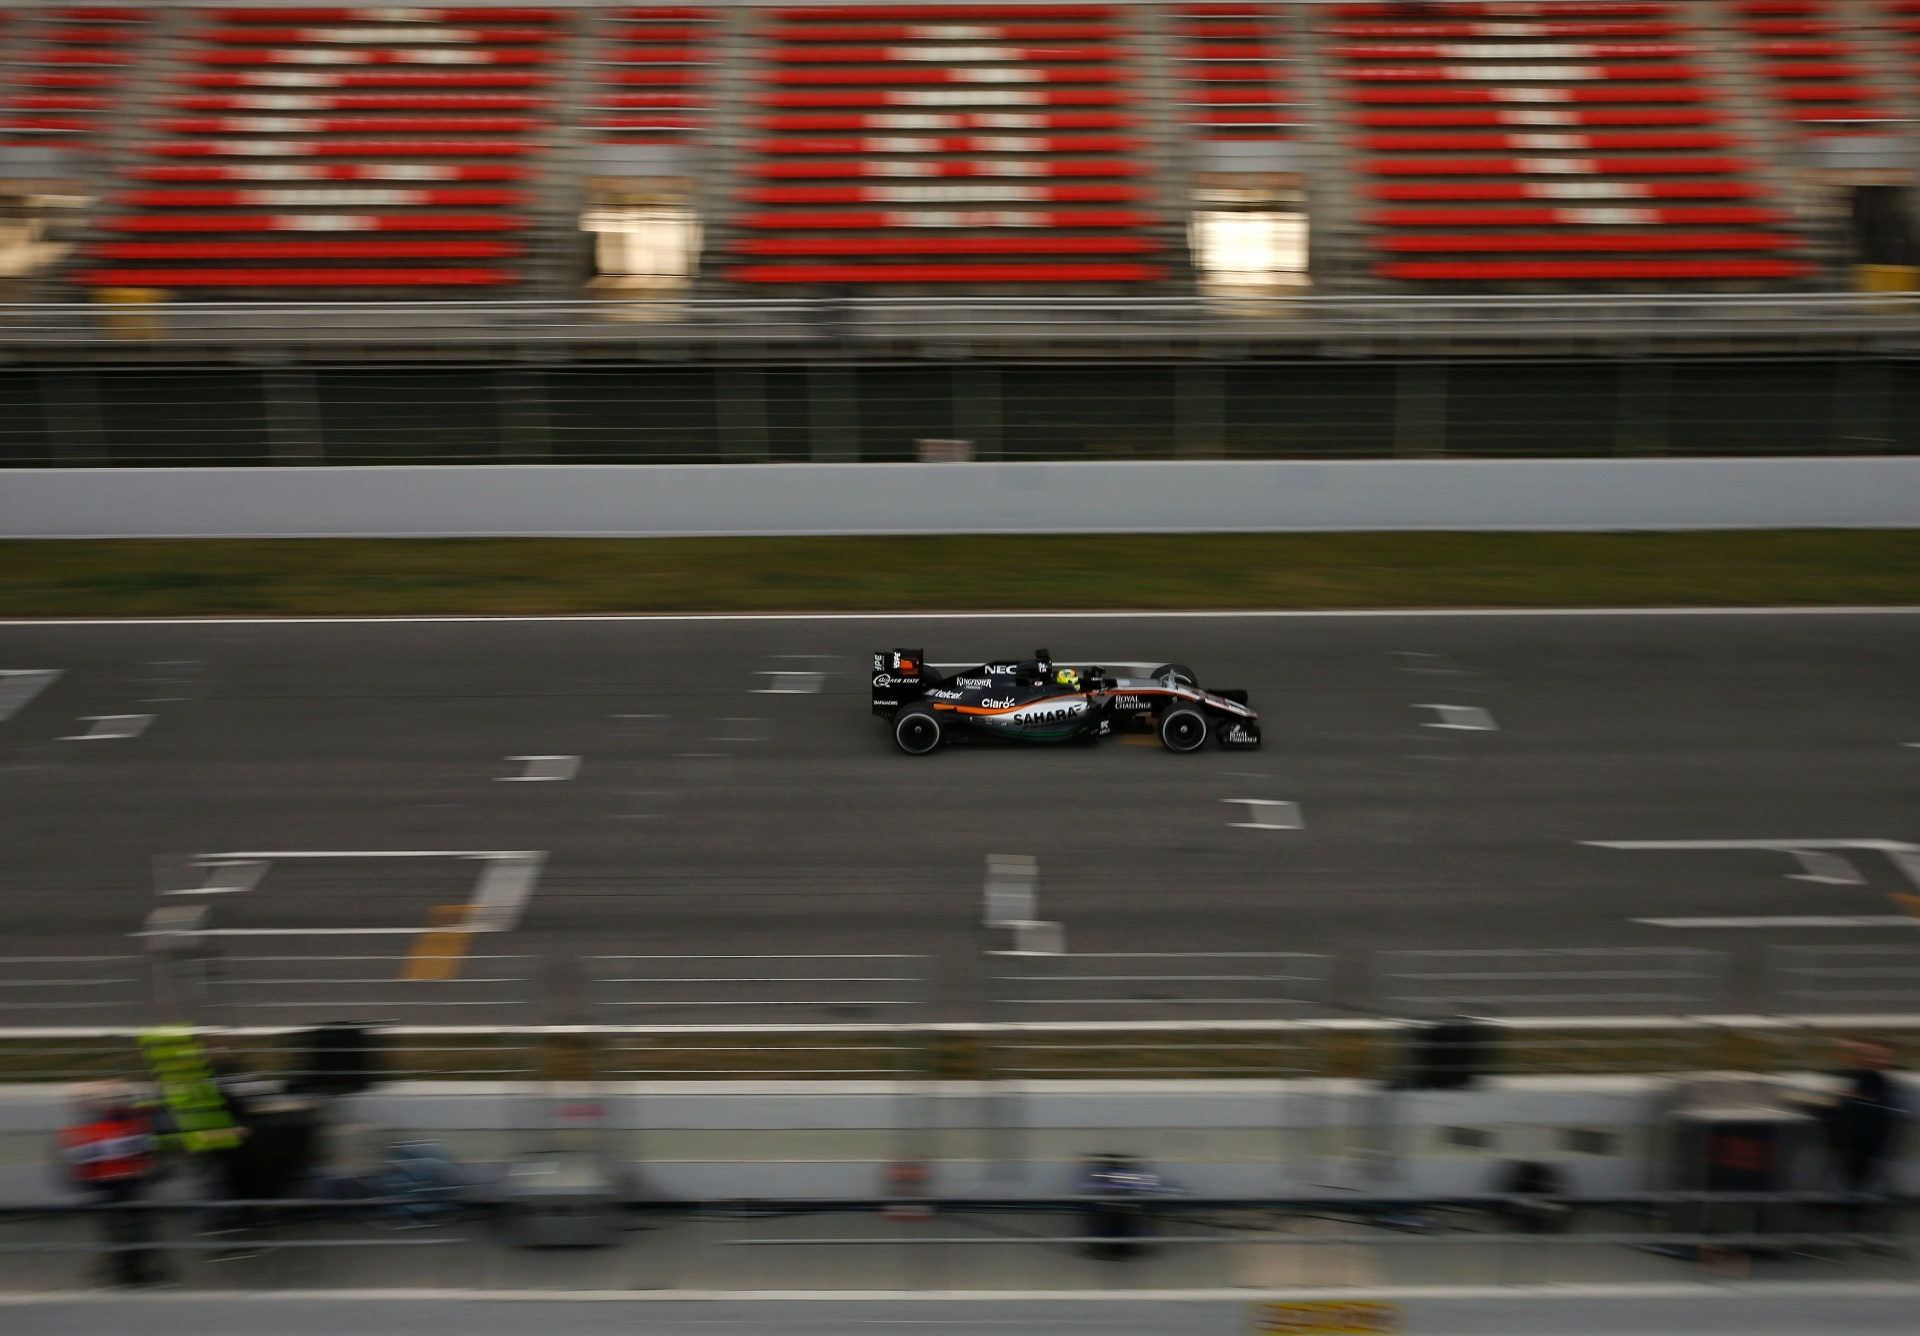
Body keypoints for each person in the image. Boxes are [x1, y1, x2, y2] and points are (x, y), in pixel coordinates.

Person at [58, 1081, 167, 1287]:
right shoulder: (122, 1125)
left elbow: (143, 1150)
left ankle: (128, 1271)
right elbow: (144, 1152)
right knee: (131, 1230)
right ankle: (129, 1271)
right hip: (119, 1185)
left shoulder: (91, 1128)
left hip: (118, 1185)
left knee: (126, 1230)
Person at [1824, 1040, 1906, 1194]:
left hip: (1865, 1137)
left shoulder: (1873, 1078)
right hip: (1865, 1136)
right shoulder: (1872, 1078)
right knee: (1856, 1172)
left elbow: (1867, 1100)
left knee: (1857, 1172)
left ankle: (1853, 1197)